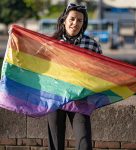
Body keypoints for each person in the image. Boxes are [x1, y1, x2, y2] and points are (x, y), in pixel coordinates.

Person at [47, 3, 102, 150]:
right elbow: (37, 66)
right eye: (72, 19)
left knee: (84, 143)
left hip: (80, 100)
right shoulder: (51, 44)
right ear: (64, 20)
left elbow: (100, 73)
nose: (75, 23)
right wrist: (15, 35)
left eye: (79, 20)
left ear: (84, 24)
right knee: (55, 144)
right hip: (55, 98)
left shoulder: (92, 45)